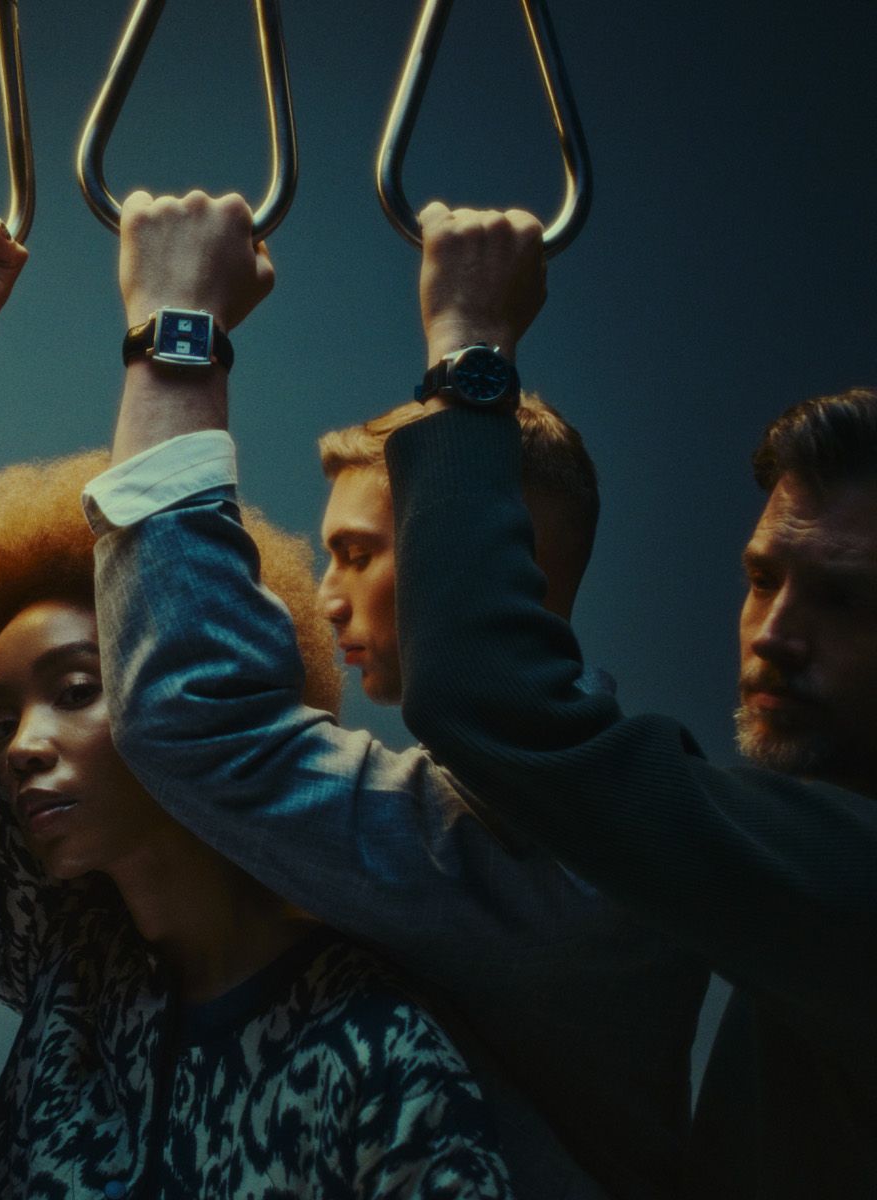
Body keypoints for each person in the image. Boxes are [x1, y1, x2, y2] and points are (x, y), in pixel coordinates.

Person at [0, 201, 513, 1197]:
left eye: (77, 691)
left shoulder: (376, 1046)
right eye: (1, 721)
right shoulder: (66, 969)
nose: (23, 745)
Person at [86, 193, 710, 1196]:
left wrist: (175, 328)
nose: (325, 597)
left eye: (359, 553)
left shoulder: (583, 848)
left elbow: (191, 712)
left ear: (499, 553)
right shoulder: (497, 823)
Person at [386, 204, 877, 1194]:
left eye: (844, 599)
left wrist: (469, 345)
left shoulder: (853, 882)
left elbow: (484, 693)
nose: (773, 634)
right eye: (761, 579)